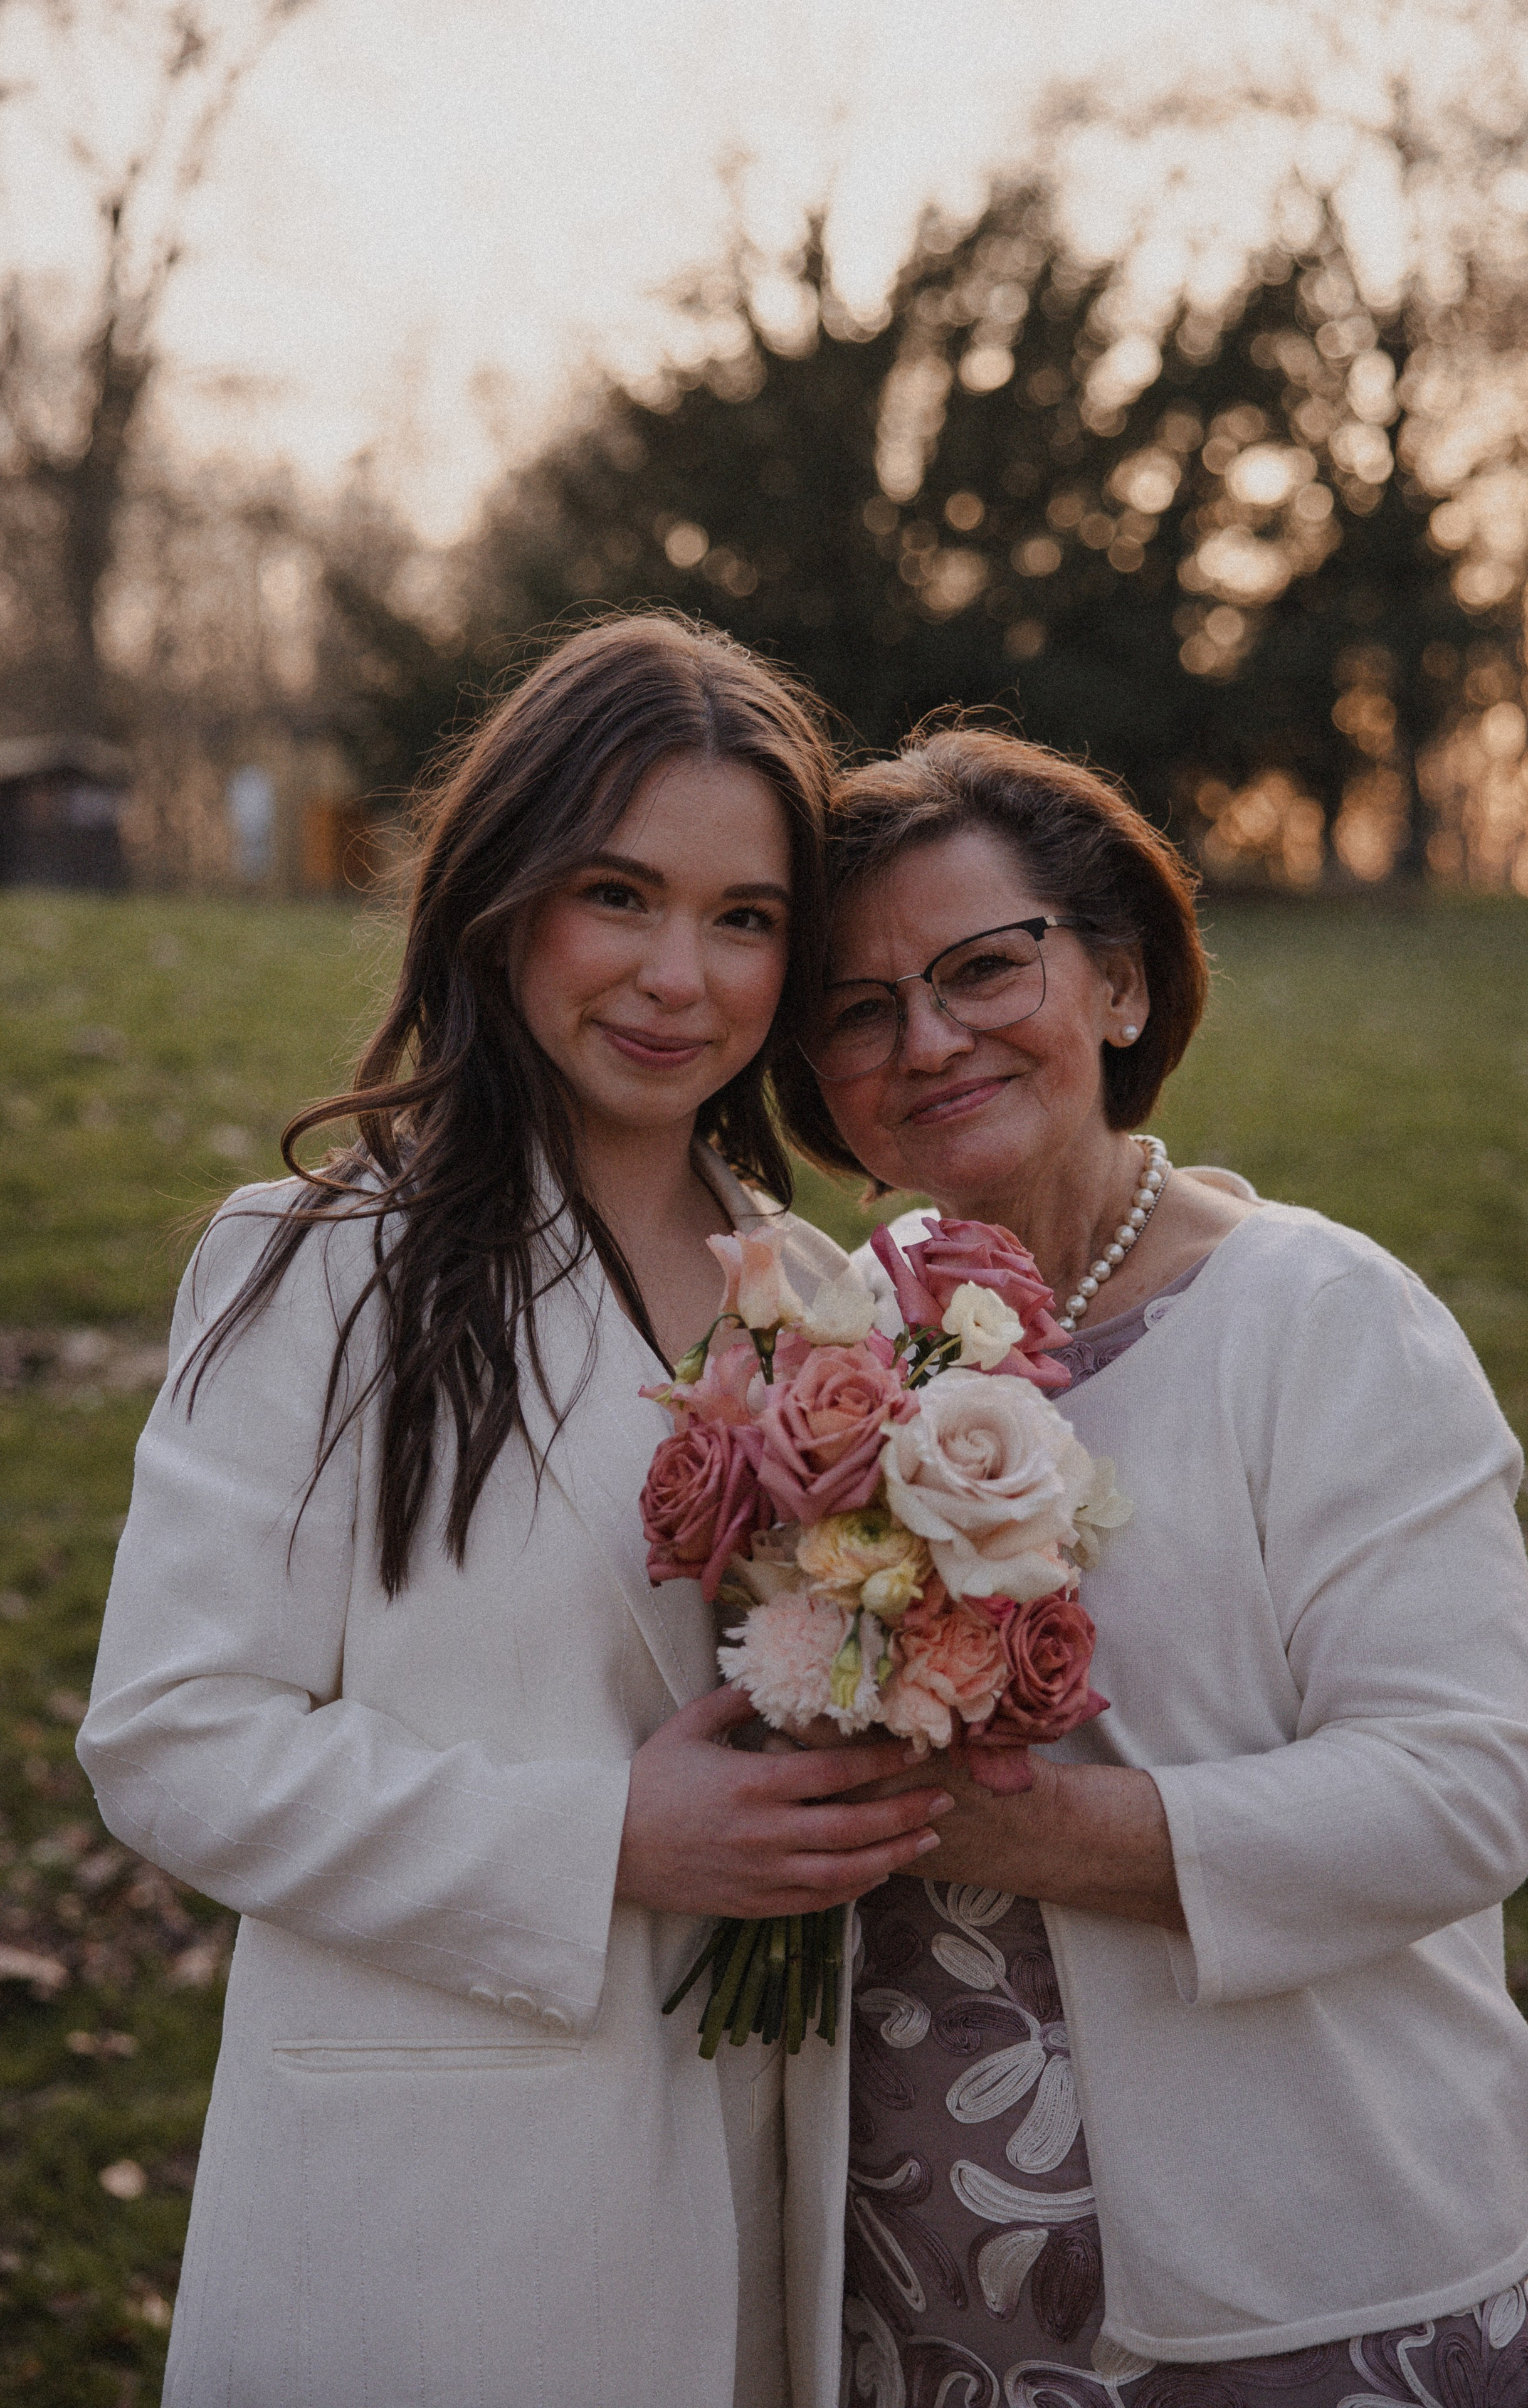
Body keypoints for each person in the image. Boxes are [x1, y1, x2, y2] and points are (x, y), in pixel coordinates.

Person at [76, 615, 951, 2408]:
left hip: (755, 2174)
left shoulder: (830, 1301)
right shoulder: (322, 1265)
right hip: (433, 2223)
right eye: (618, 894)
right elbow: (171, 1740)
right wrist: (599, 1842)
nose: (678, 978)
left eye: (744, 918)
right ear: (503, 892)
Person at [774, 727, 1528, 2408]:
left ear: (1121, 985)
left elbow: (1463, 1792)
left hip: (1299, 2289)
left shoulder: (1323, 1318)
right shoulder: (828, 1337)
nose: (929, 1039)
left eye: (986, 968)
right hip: (906, 2296)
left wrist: (1019, 1828)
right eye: (857, 1009)